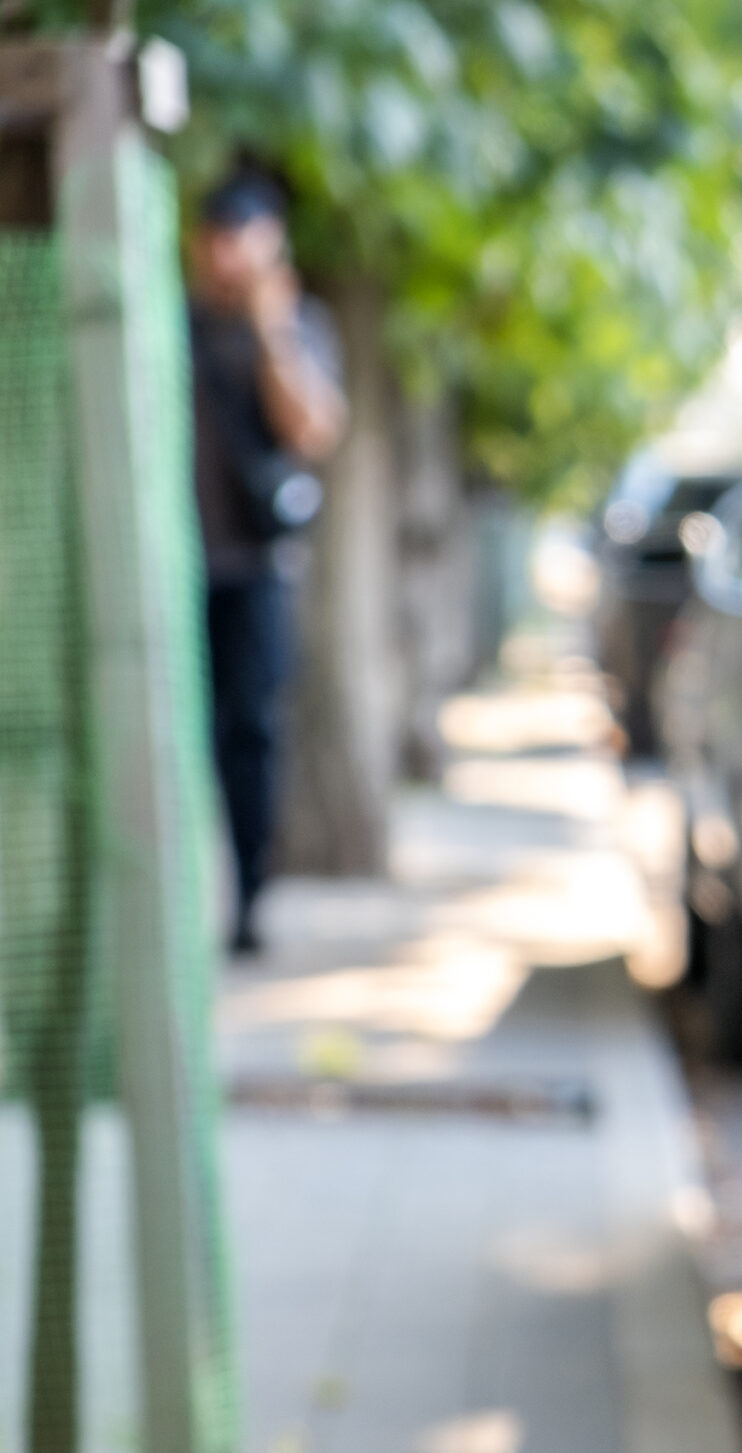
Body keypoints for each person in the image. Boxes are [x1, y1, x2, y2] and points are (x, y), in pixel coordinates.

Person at [187, 168, 345, 955]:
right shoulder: (172, 321)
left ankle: (248, 897)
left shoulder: (299, 324)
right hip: (179, 567)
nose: (225, 254)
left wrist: (270, 327)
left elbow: (312, 430)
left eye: (239, 236)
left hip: (255, 565)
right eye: (215, 235)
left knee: (249, 733)